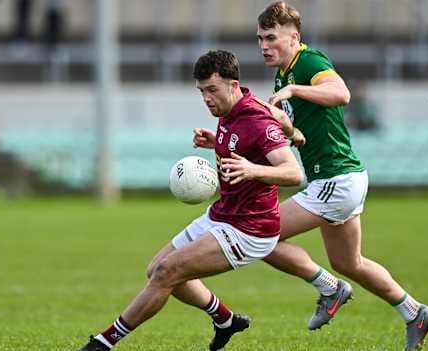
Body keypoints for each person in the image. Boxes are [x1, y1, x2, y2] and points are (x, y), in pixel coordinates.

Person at [76, 50, 303, 351]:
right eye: (202, 91)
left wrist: (252, 169)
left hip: (250, 229)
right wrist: (216, 142)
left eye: (212, 90)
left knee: (166, 273)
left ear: (234, 85)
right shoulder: (229, 112)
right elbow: (241, 146)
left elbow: (293, 172)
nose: (207, 98)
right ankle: (225, 320)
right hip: (224, 214)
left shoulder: (257, 121)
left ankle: (103, 343)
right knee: (156, 268)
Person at [255, 2, 428, 350]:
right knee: (348, 262)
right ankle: (415, 313)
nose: (264, 46)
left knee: (259, 234)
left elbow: (341, 93)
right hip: (342, 179)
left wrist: (294, 91)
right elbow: (307, 126)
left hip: (335, 181)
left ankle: (329, 287)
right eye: (260, 39)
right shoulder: (284, 72)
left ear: (294, 37)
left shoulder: (308, 62)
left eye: (271, 38)